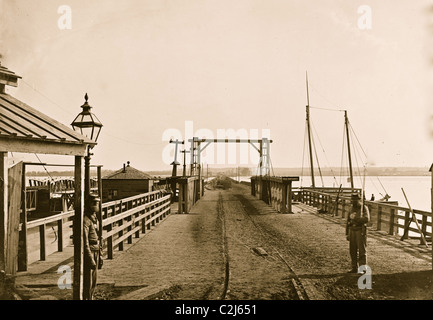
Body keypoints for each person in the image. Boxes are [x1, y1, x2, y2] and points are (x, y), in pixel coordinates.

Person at [83, 193, 102, 300]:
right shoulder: (86, 220)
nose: (95, 205)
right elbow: (85, 241)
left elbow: (99, 237)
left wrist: (101, 255)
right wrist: (90, 258)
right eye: (93, 203)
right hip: (90, 250)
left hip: (96, 250)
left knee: (94, 280)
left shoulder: (94, 218)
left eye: (97, 203)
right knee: (88, 282)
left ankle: (91, 297)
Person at [346, 193, 370, 273]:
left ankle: (362, 268)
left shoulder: (363, 208)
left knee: (362, 250)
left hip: (360, 231)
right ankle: (354, 267)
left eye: (355, 200)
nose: (353, 202)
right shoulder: (350, 208)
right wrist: (347, 233)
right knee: (352, 250)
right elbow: (348, 221)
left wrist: (357, 219)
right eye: (352, 200)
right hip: (352, 230)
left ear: (359, 200)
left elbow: (367, 219)